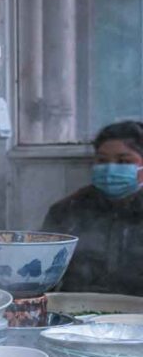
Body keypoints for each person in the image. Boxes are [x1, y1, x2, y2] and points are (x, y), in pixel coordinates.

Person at [42, 120, 143, 295]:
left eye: (124, 161)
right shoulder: (68, 210)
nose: (110, 168)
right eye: (102, 160)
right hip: (79, 311)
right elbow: (42, 270)